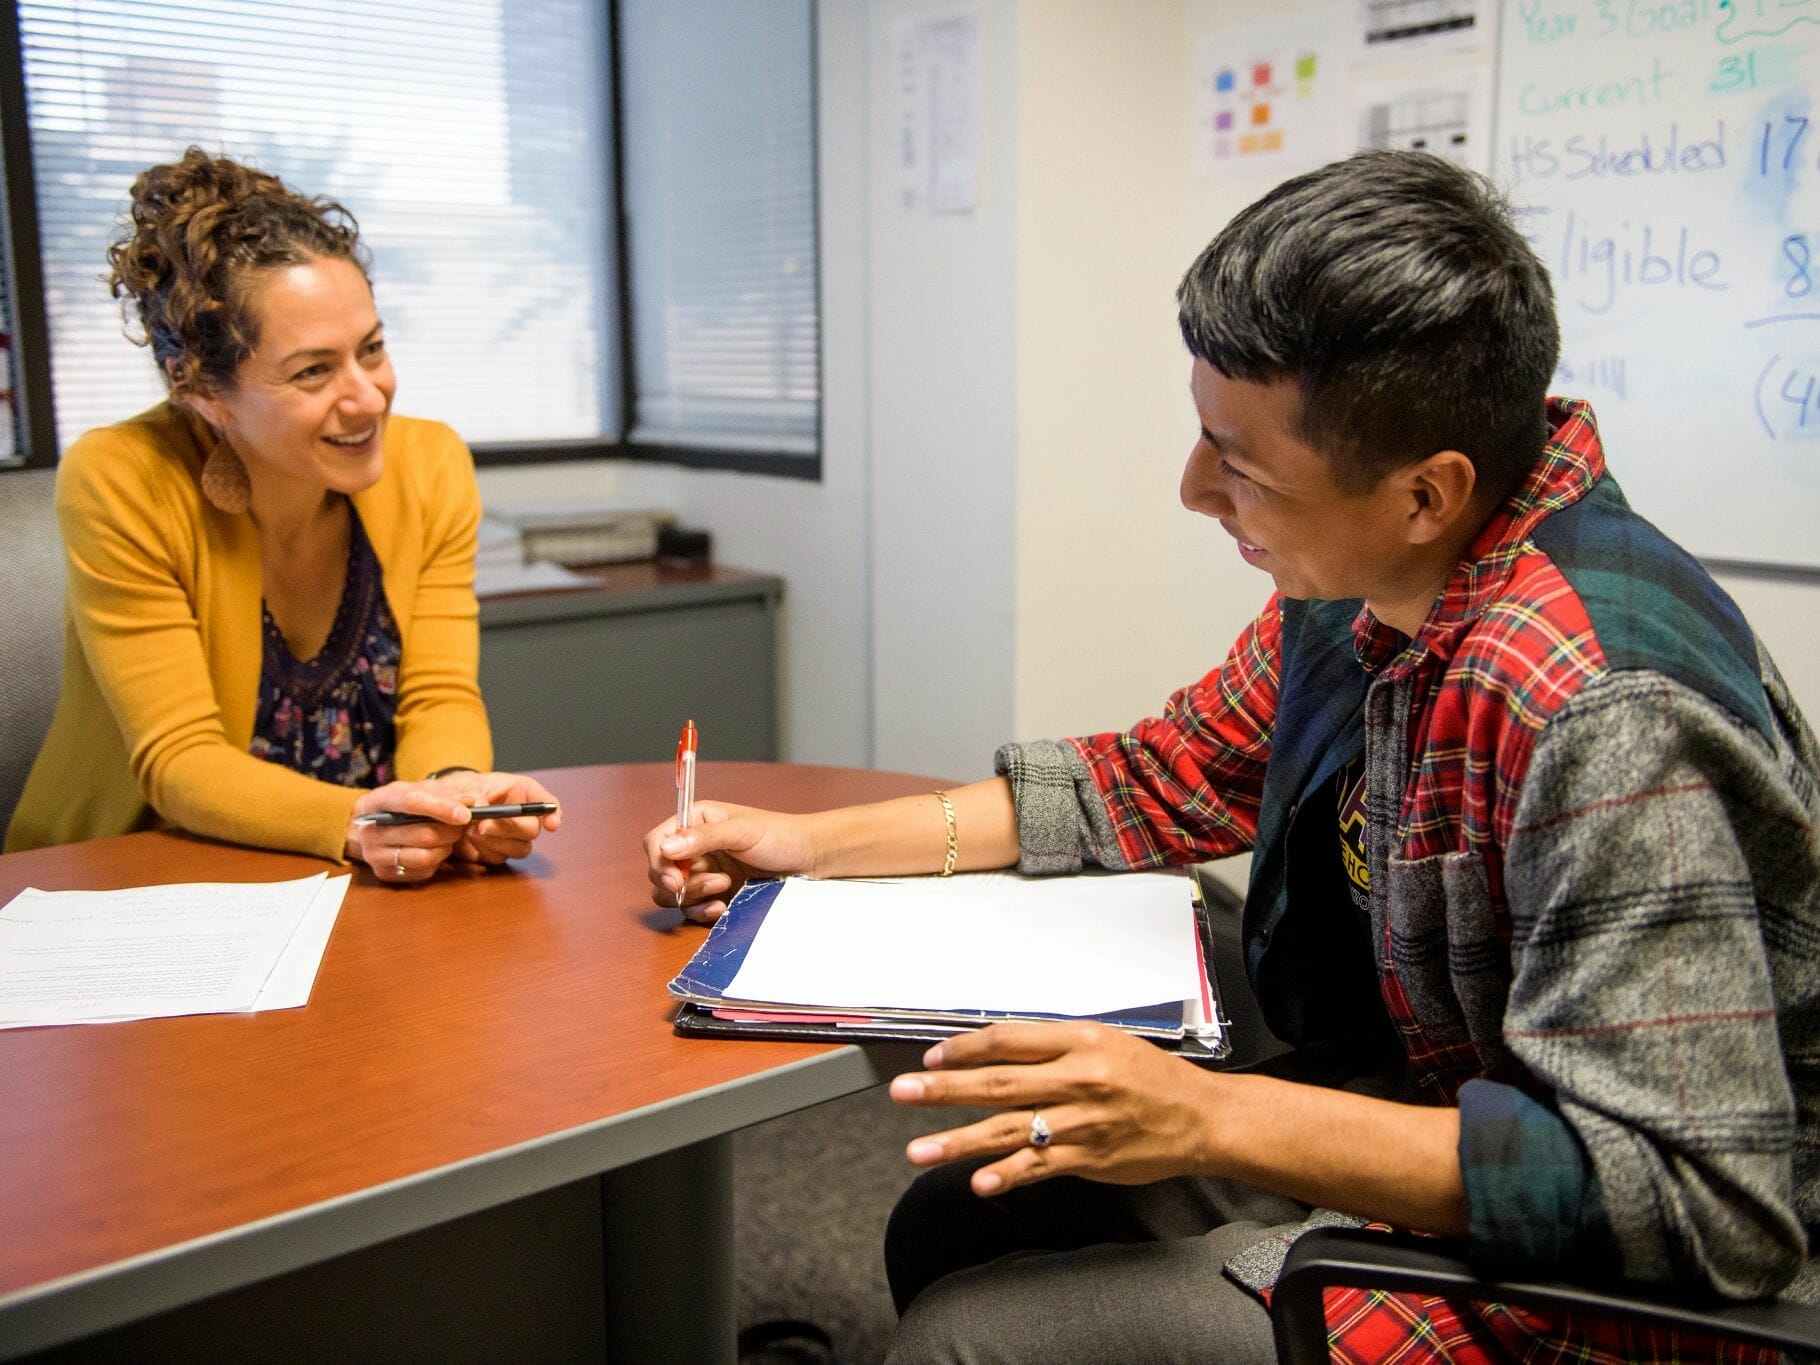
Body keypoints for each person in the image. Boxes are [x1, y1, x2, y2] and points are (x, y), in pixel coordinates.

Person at [644, 150, 1820, 1362]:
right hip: (1440, 1113)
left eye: (1241, 466)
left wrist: (1211, 1116)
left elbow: (1695, 1204)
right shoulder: (1377, 586)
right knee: (958, 1218)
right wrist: (805, 846)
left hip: (1629, 1281)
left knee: (966, 1340)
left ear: (1424, 492)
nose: (1194, 488)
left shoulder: (1599, 713)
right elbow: (1156, 775)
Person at [6, 149, 560, 883]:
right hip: (132, 875)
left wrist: (454, 792)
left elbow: (438, 693)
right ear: (201, 388)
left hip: (356, 879)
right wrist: (354, 822)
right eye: (313, 370)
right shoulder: (122, 477)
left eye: (372, 349)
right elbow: (179, 759)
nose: (368, 396)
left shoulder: (432, 463)